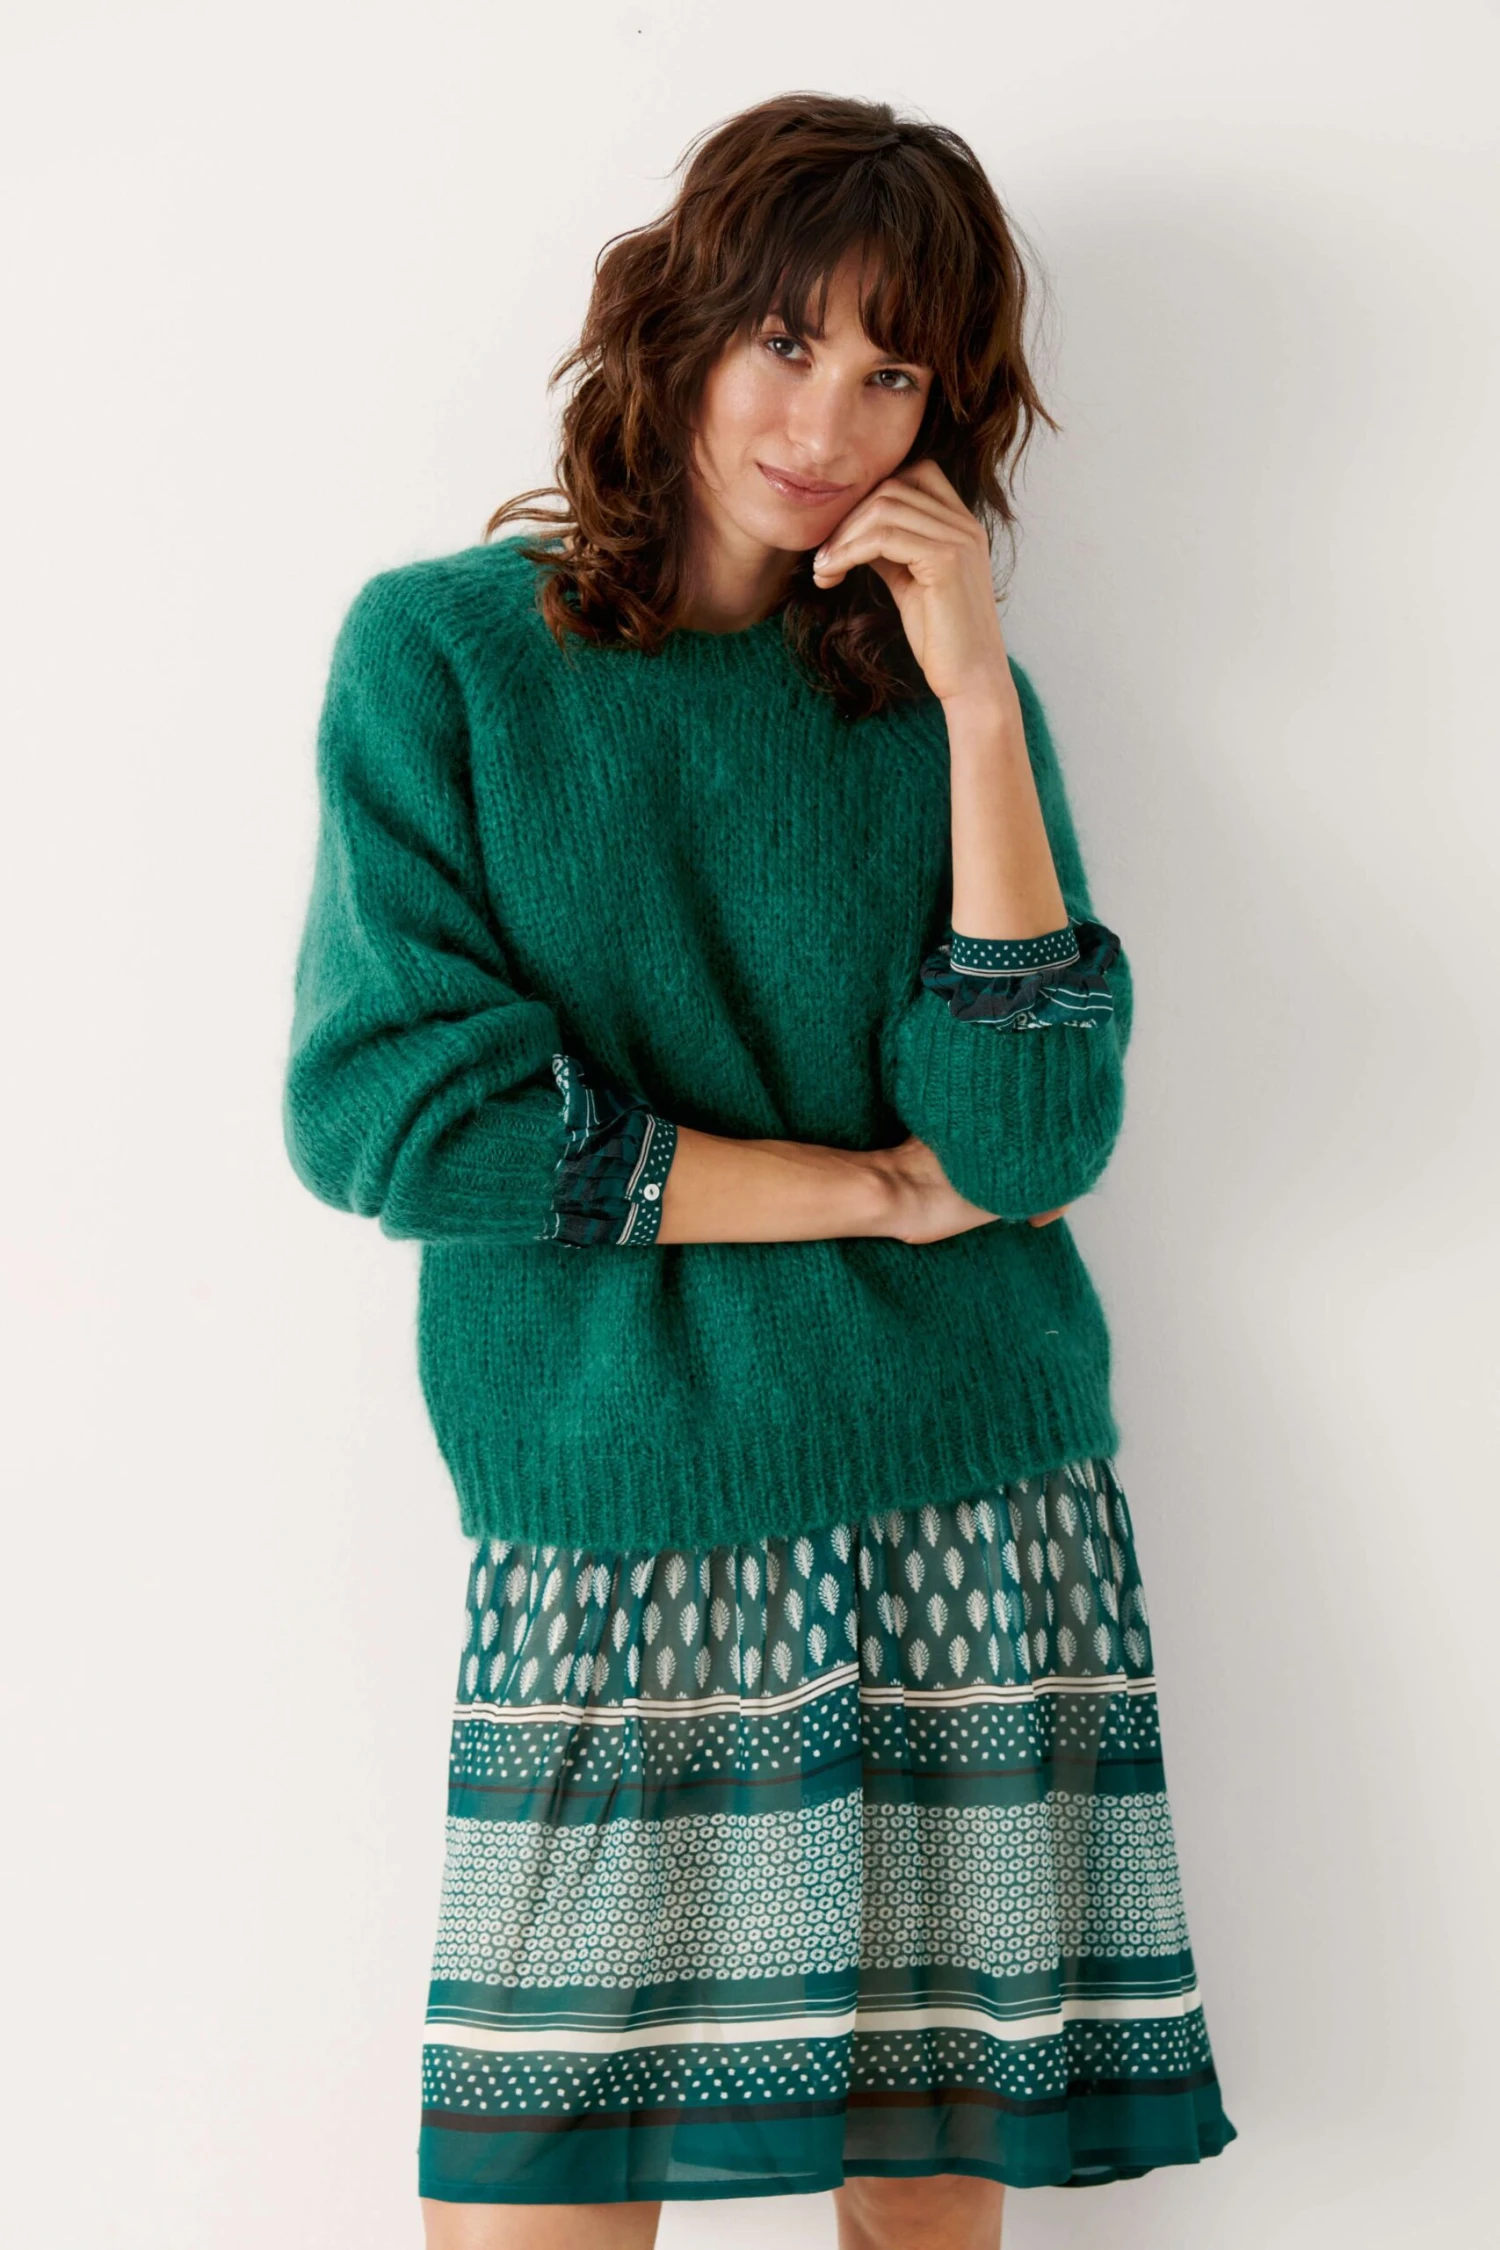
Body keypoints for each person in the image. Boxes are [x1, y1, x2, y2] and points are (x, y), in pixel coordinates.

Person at [282, 89, 1237, 2250]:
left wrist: (975, 705)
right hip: (616, 1520)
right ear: (680, 325)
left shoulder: (936, 700)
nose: (825, 421)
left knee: (922, 2212)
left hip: (960, 1501)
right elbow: (396, 1117)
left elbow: (1030, 1135)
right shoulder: (443, 658)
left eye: (893, 373)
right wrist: (852, 1192)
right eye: (787, 342)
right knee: (536, 2204)